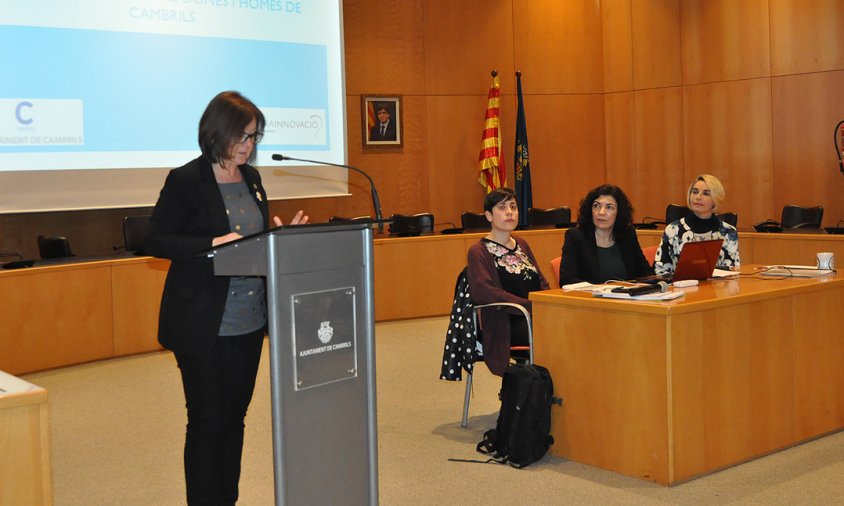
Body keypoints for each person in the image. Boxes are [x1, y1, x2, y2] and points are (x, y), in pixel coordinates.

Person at [145, 91, 308, 505]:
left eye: (254, 137)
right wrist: (213, 241)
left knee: (234, 418)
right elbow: (157, 239)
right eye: (242, 136)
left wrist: (280, 237)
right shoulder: (186, 180)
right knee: (206, 420)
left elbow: (252, 242)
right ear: (217, 131)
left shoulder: (251, 179)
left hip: (249, 321)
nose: (249, 146)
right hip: (202, 322)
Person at [467, 187, 549, 376]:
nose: (510, 212)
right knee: (553, 333)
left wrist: (549, 304)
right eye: (502, 208)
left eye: (513, 206)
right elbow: (485, 292)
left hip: (533, 314)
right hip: (503, 321)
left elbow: (540, 281)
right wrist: (529, 306)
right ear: (489, 215)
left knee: (568, 325)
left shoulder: (522, 244)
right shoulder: (478, 251)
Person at [559, 184, 654, 286]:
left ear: (619, 212)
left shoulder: (627, 235)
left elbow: (645, 273)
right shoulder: (575, 237)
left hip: (625, 299)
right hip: (590, 299)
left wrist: (660, 283)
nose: (601, 212)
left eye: (609, 207)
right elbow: (567, 280)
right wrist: (601, 290)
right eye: (596, 206)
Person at [654, 174, 739, 276]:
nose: (698, 197)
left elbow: (733, 272)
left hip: (717, 289)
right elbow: (660, 271)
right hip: (682, 288)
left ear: (716, 199)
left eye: (706, 194)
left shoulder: (729, 232)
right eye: (694, 192)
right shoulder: (673, 230)